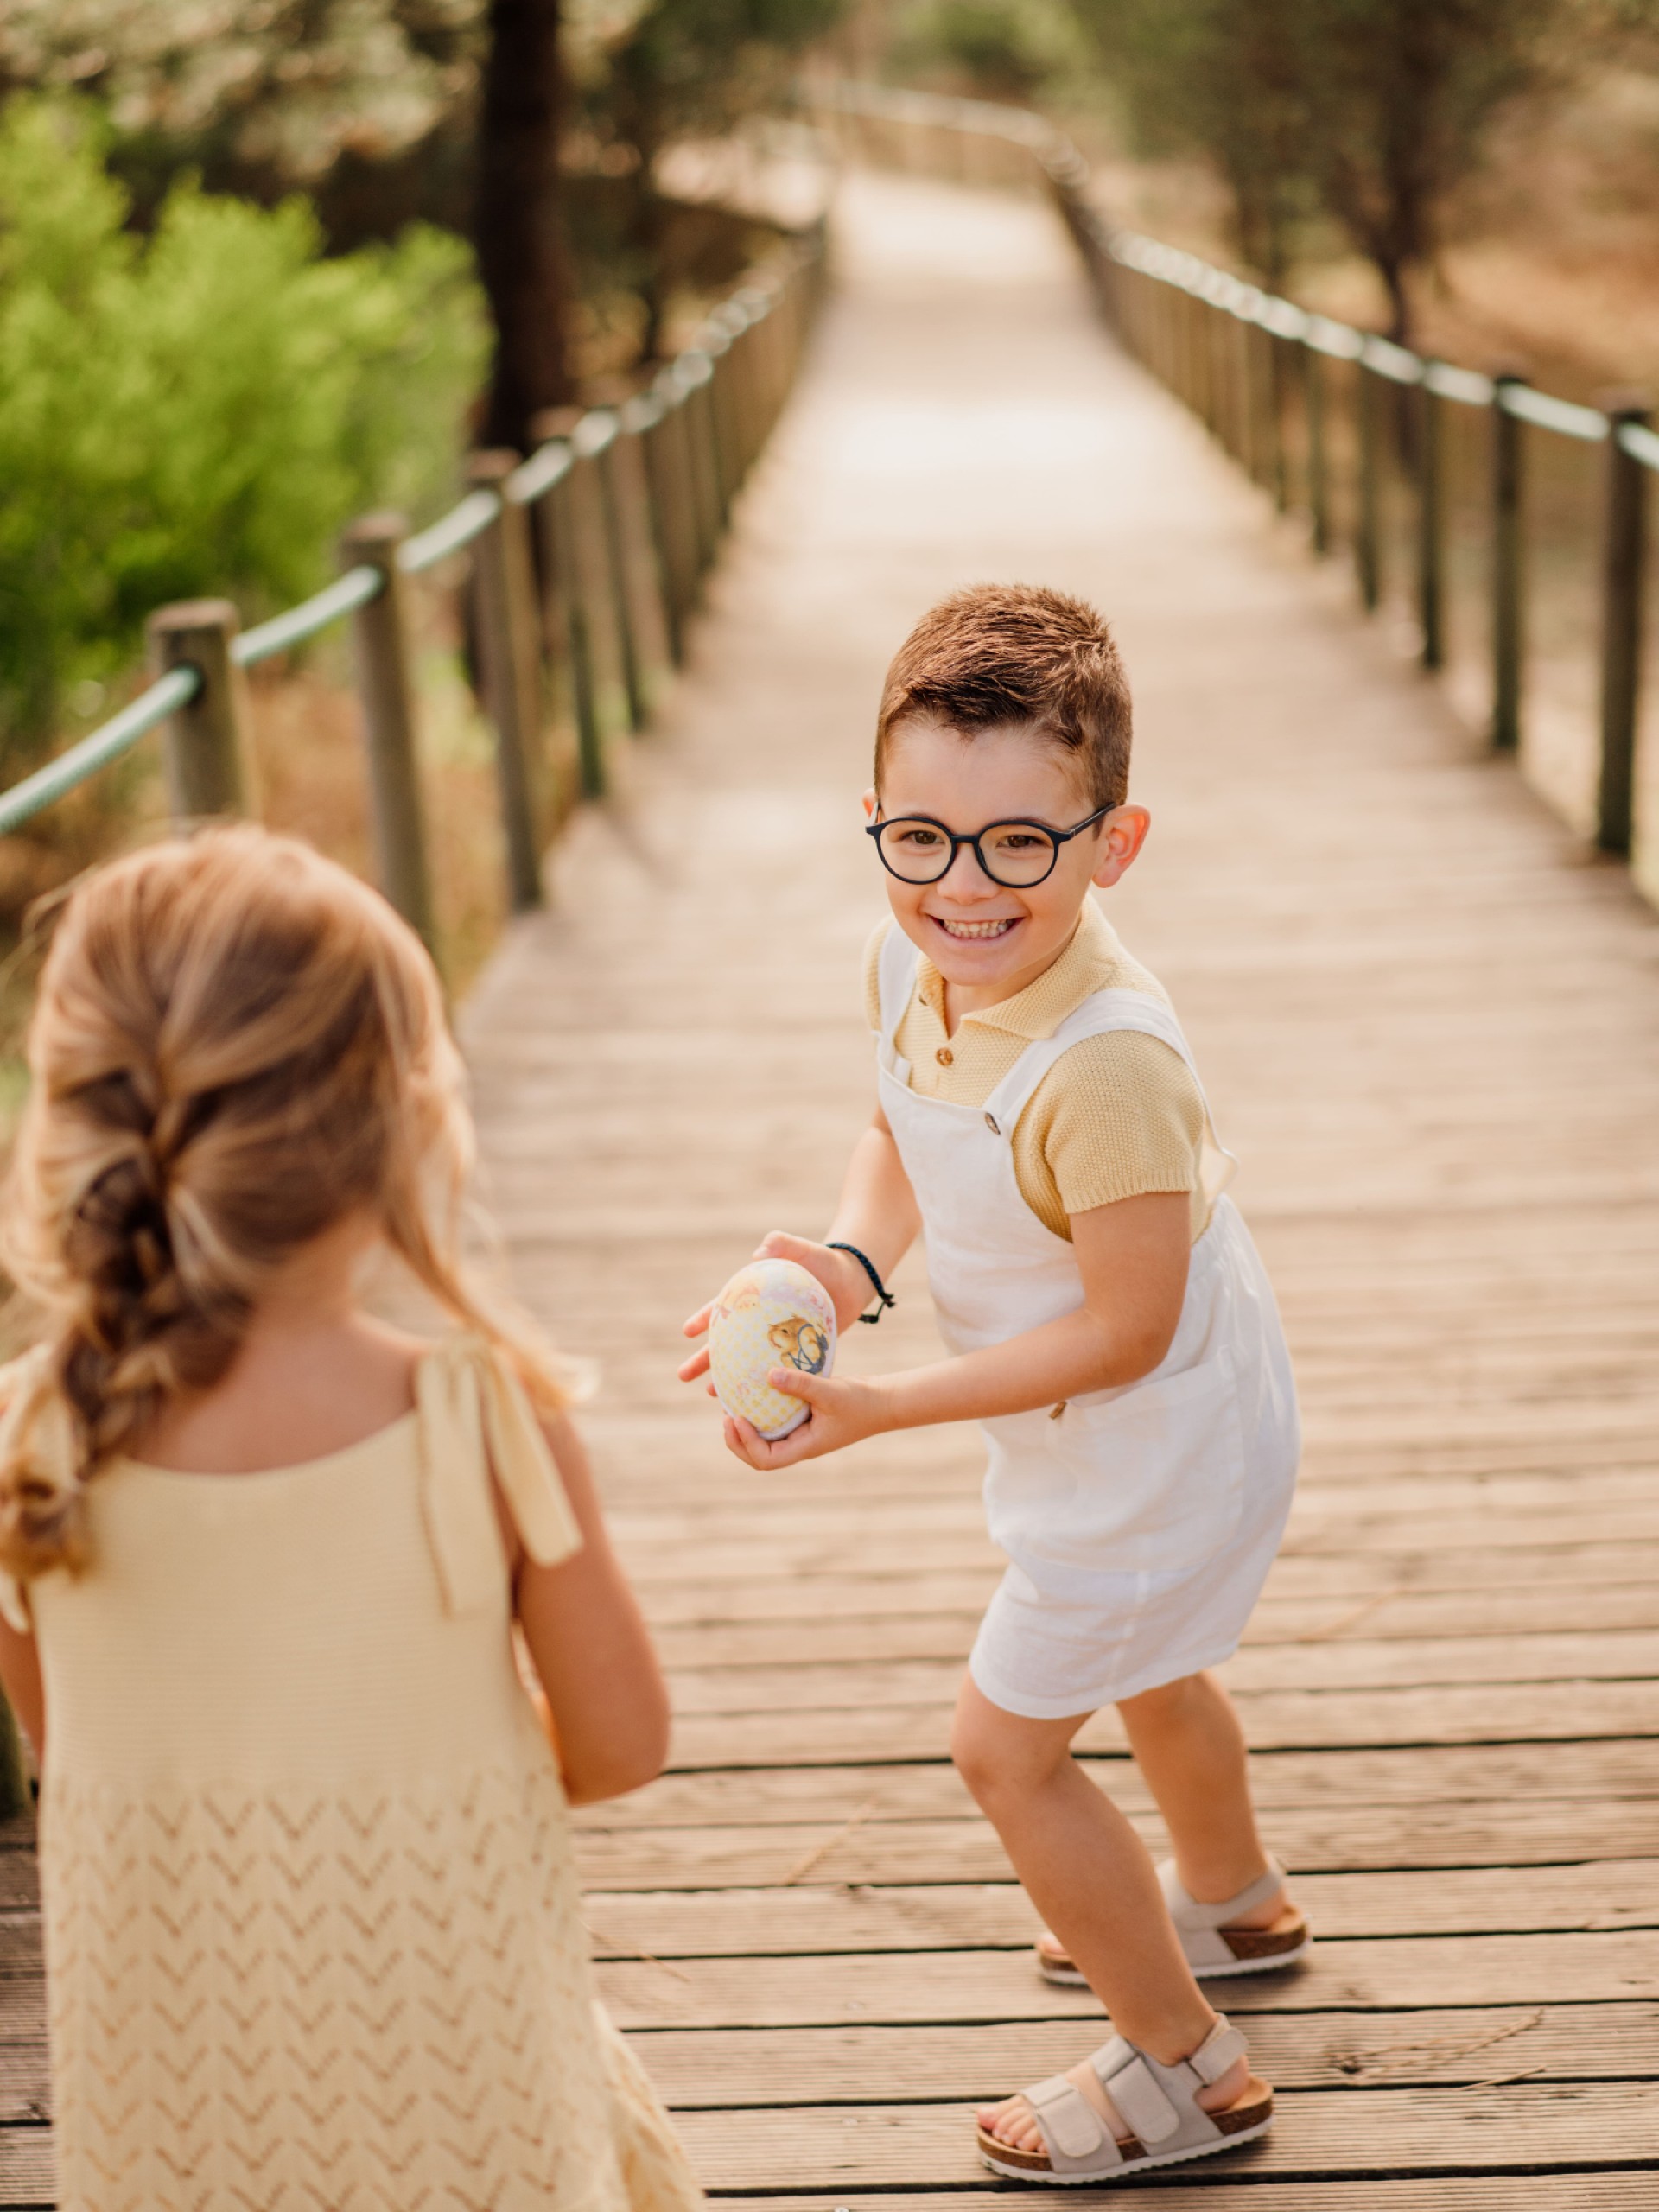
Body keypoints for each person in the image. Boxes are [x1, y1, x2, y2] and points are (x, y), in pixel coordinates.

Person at [682, 586, 1305, 2184]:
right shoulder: (911, 966)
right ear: (876, 820)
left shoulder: (1105, 1065)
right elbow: (898, 1134)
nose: (965, 887)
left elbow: (1129, 1334)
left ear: (1115, 841)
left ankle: (1185, 2069)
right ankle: (1232, 1903)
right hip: (1097, 1425)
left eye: (1023, 842)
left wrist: (883, 1410)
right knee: (1155, 1670)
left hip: (1157, 1433)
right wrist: (842, 1268)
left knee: (1003, 1748)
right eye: (922, 838)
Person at [0, 828, 703, 2211]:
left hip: (174, 2115)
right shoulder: (481, 1421)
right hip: (464, 2095)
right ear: (401, 1127)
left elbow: (64, 1746)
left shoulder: (31, 1439)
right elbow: (620, 1743)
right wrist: (419, 1768)